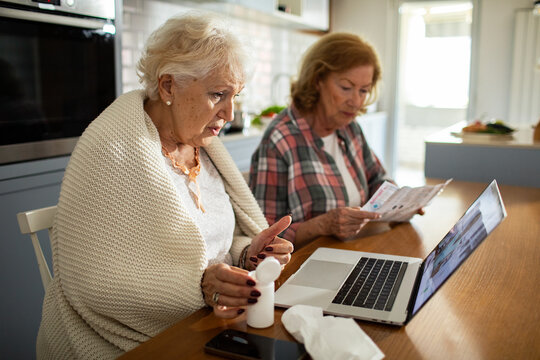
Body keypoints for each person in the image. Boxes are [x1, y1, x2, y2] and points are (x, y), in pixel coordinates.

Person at [36, 13, 294, 359]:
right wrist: (199, 287)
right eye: (218, 94)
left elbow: (216, 244)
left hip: (212, 325)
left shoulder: (205, 147)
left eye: (236, 96)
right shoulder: (110, 147)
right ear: (168, 86)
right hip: (125, 341)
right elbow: (93, 282)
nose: (230, 113)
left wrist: (250, 255)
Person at [250, 32, 402, 248]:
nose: (356, 101)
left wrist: (399, 203)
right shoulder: (280, 140)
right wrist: (323, 225)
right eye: (346, 88)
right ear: (317, 80)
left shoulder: (350, 129)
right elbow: (263, 235)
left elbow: (377, 179)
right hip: (303, 263)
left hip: (353, 248)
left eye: (364, 91)